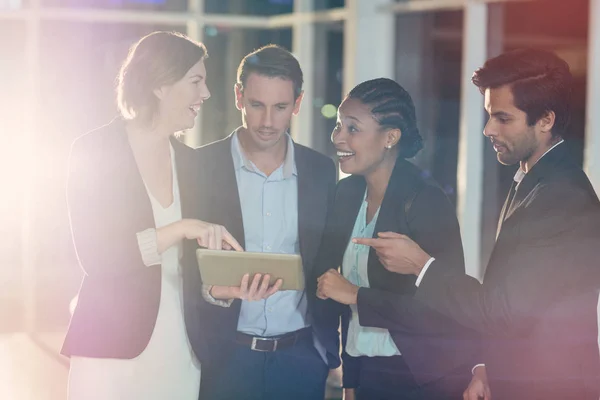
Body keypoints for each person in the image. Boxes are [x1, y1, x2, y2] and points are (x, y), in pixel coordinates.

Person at [334, 49, 600, 399]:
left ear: (546, 120)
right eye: (489, 115)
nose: (488, 129)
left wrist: (421, 265)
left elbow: (502, 309)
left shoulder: (561, 195)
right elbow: (522, 305)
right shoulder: (533, 179)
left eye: (503, 118)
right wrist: (486, 367)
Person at [62, 31, 243, 400]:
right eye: (196, 81)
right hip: (109, 348)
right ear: (160, 84)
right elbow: (97, 258)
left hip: (179, 350)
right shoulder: (92, 152)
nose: (205, 94)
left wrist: (218, 291)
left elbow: (191, 270)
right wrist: (179, 228)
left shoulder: (194, 165)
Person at [183, 44, 339, 400]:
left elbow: (327, 258)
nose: (268, 121)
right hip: (224, 358)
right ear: (239, 97)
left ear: (297, 104)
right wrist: (216, 293)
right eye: (256, 105)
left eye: (280, 107)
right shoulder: (199, 167)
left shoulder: (320, 171)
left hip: (301, 359)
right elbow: (183, 266)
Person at [315, 78, 479, 400]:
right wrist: (351, 384)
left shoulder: (425, 200)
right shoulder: (346, 194)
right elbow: (347, 311)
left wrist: (356, 295)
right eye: (338, 126)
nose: (338, 138)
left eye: (353, 128)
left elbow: (445, 310)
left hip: (422, 377)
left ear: (390, 137)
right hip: (368, 376)